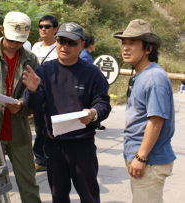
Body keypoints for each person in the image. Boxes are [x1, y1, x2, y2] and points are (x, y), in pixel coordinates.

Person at [23, 22, 111, 203]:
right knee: (59, 196)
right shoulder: (44, 71)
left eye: (71, 42)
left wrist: (93, 113)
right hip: (53, 145)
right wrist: (32, 91)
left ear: (81, 44)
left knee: (89, 195)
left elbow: (103, 103)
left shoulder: (92, 73)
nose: (65, 46)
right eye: (61, 41)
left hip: (82, 145)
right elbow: (33, 105)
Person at [113, 19, 176, 203]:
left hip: (149, 161)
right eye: (124, 42)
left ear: (148, 49)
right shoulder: (141, 73)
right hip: (141, 157)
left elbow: (156, 121)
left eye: (132, 43)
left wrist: (141, 157)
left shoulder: (154, 77)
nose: (125, 47)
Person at [0, 11, 41, 203]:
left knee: (29, 185)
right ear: (1, 30)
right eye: (11, 40)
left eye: (20, 41)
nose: (15, 45)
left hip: (19, 133)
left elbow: (37, 96)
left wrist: (24, 104)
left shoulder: (31, 60)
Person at [31, 15, 58, 172]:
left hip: (54, 95)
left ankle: (55, 157)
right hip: (37, 94)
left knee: (53, 128)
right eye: (41, 26)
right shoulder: (35, 47)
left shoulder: (59, 47)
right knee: (40, 128)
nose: (43, 29)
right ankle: (40, 159)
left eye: (47, 27)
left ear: (54, 29)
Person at [79, 36, 106, 131]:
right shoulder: (85, 56)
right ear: (90, 45)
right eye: (94, 44)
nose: (95, 46)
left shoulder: (85, 54)